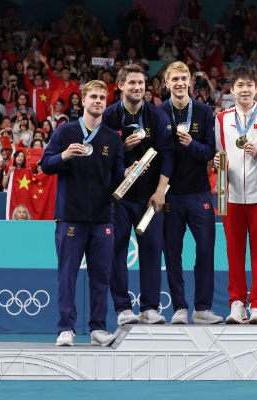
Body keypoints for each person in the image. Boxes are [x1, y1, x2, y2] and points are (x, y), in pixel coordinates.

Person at [41, 80, 131, 347]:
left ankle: (98, 329)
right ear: (83, 101)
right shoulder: (65, 132)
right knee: (67, 275)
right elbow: (45, 165)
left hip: (103, 217)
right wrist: (64, 156)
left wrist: (130, 173)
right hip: (70, 216)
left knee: (101, 276)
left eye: (103, 97)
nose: (98, 101)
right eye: (93, 96)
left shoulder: (112, 138)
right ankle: (66, 328)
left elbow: (117, 176)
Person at [102, 64, 175, 326]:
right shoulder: (109, 116)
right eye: (132, 83)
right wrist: (120, 148)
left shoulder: (157, 116)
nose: (137, 87)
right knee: (116, 251)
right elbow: (100, 155)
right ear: (120, 85)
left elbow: (168, 155)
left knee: (153, 250)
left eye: (141, 83)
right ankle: (123, 309)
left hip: (149, 197)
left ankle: (149, 308)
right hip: (118, 197)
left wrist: (160, 191)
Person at [159, 61, 223, 324]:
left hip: (199, 192)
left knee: (206, 249)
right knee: (172, 252)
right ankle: (179, 308)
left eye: (183, 78)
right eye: (174, 79)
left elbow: (210, 152)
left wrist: (190, 144)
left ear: (190, 82)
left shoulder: (204, 111)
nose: (179, 83)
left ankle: (202, 308)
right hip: (170, 195)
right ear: (167, 83)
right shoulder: (159, 113)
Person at [213, 66, 257, 324]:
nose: (245, 90)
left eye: (249, 85)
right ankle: (237, 303)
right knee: (234, 253)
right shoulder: (221, 119)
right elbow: (218, 154)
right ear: (232, 89)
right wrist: (218, 163)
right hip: (232, 196)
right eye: (240, 85)